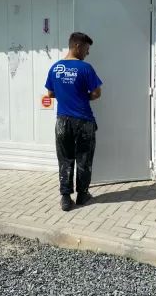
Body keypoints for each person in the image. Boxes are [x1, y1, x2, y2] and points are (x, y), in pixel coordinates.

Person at [45, 32, 102, 211]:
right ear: (77, 46)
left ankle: (65, 198)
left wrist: (66, 95)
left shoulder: (55, 68)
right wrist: (81, 96)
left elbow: (50, 93)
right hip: (83, 121)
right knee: (84, 158)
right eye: (86, 48)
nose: (87, 52)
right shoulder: (85, 68)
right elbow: (96, 93)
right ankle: (83, 195)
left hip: (62, 122)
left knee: (65, 159)